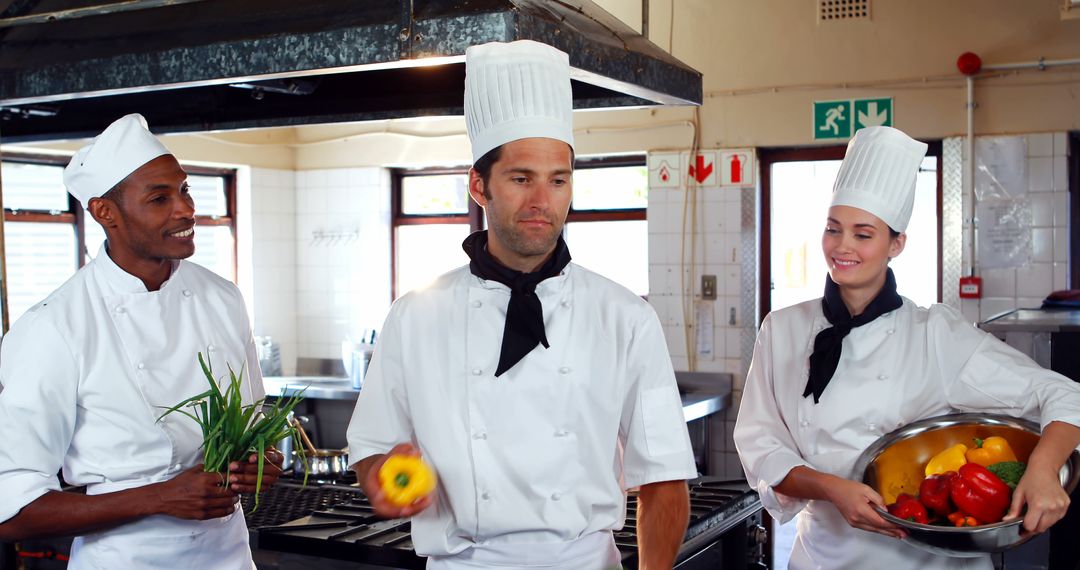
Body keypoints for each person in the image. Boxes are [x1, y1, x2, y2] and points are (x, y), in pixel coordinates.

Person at [346, 40, 697, 569]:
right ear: (478, 186)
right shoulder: (416, 315)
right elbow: (374, 444)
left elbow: (663, 478)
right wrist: (383, 480)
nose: (542, 202)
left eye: (558, 181)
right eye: (521, 179)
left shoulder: (624, 317)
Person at [734, 126, 1080, 569]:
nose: (842, 246)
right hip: (823, 556)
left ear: (896, 244)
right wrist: (832, 488)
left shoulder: (935, 333)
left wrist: (1043, 469)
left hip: (928, 561)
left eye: (863, 234)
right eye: (833, 230)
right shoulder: (782, 329)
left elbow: (1064, 396)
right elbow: (761, 443)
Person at [0, 114, 282, 569]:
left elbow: (253, 432)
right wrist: (159, 498)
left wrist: (260, 462)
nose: (186, 209)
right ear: (104, 212)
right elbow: (9, 511)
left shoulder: (222, 297)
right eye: (159, 198)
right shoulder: (54, 327)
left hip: (229, 558)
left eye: (185, 190)